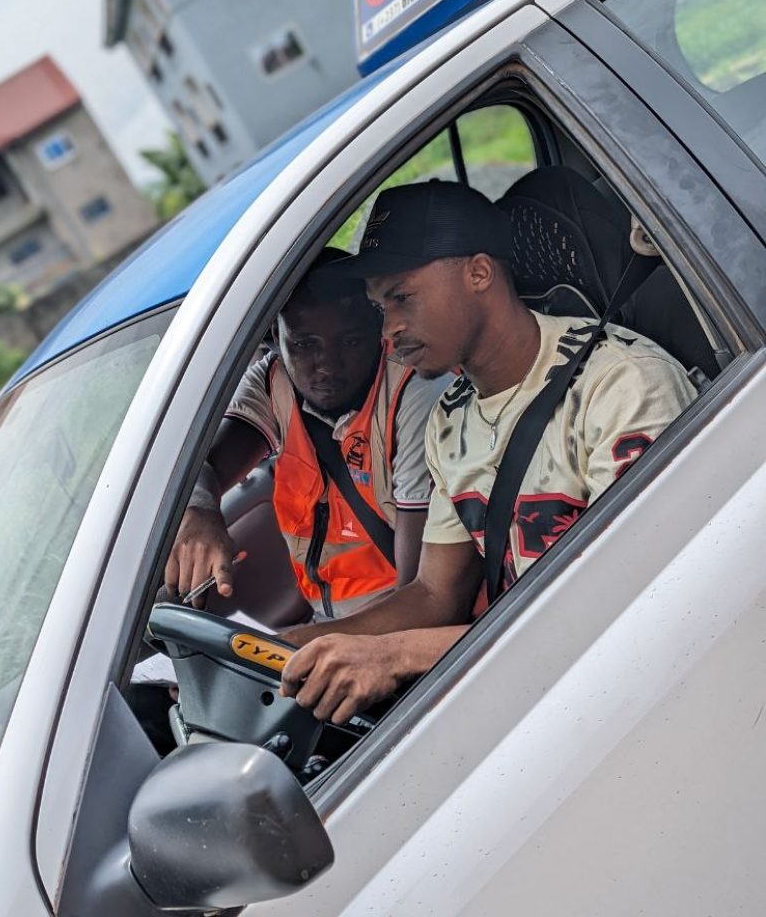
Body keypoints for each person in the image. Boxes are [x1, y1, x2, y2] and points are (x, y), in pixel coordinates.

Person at [278, 180, 697, 724]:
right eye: (380, 309)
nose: (389, 330)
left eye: (402, 298)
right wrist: (293, 646)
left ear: (479, 273)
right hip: (540, 682)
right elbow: (433, 594)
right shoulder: (451, 418)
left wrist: (398, 655)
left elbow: (627, 599)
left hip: (646, 683)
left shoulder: (618, 385)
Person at [165, 250, 447, 620]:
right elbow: (202, 465)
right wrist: (200, 509)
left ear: (377, 331)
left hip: (401, 629)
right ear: (275, 340)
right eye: (304, 345)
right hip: (329, 621)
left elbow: (420, 597)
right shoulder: (274, 382)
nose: (327, 365)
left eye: (349, 341)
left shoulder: (413, 393)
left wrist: (304, 647)